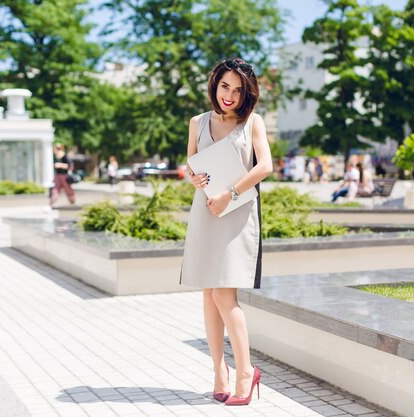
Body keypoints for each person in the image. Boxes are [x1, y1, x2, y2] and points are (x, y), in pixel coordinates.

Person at [180, 57, 272, 406]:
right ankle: (219, 371)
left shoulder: (253, 123)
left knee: (223, 295)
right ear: (214, 84)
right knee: (208, 292)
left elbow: (265, 165)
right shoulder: (197, 122)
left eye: (237, 89)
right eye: (224, 86)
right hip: (205, 212)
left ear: (246, 93)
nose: (230, 95)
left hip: (236, 212)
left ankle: (246, 370)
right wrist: (194, 176)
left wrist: (229, 193)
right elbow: (191, 162)